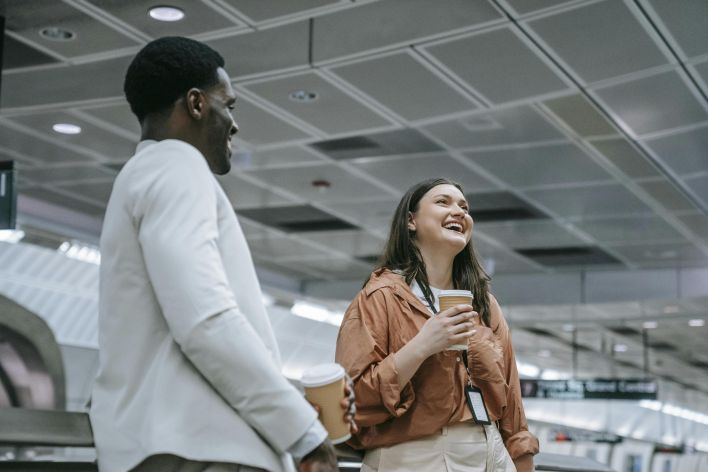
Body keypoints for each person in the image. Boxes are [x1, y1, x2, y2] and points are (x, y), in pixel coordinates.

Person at [90, 36, 353, 472]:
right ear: (196, 104)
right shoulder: (177, 164)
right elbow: (204, 318)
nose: (233, 122)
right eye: (227, 104)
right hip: (201, 451)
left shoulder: (143, 174)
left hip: (171, 444)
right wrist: (304, 434)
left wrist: (298, 405)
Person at [335, 178, 539, 472]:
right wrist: (421, 346)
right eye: (443, 202)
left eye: (464, 207)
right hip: (413, 455)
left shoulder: (484, 304)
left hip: (488, 449)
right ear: (410, 221)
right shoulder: (381, 297)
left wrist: (522, 463)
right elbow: (353, 400)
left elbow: (512, 405)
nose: (459, 212)